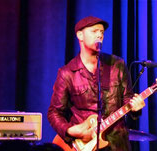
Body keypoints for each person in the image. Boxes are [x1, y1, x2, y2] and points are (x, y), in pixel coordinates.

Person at [47, 16, 145, 151]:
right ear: (80, 35)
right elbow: (54, 112)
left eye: (102, 32)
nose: (99, 35)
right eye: (94, 31)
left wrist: (136, 107)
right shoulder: (67, 73)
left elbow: (127, 98)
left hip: (116, 144)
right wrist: (69, 130)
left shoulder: (117, 65)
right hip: (83, 144)